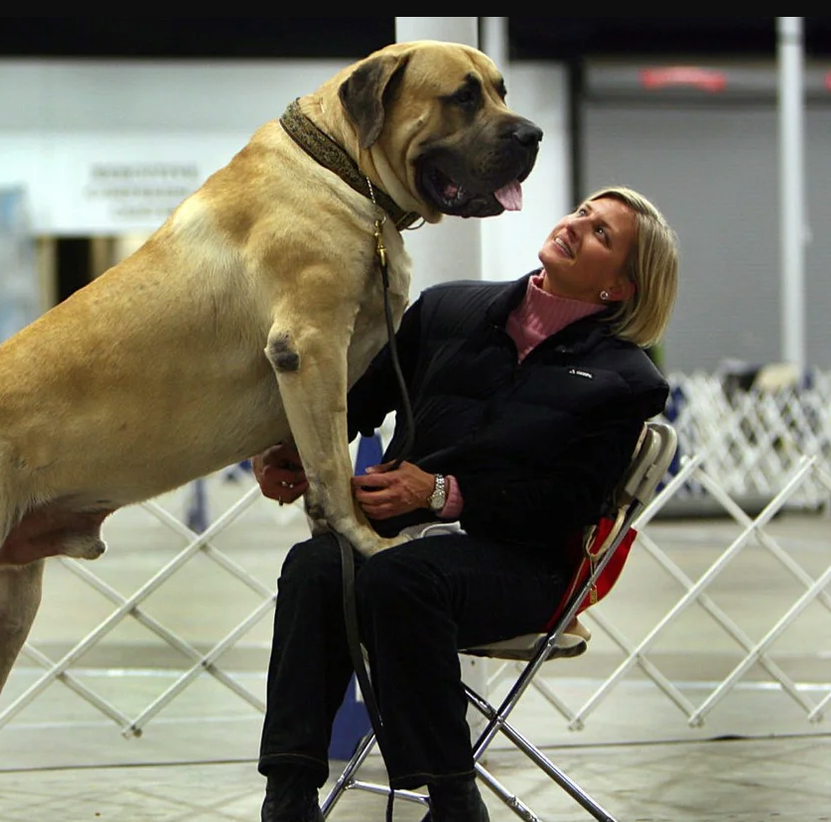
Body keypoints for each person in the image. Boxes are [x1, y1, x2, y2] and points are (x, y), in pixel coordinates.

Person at [252, 186, 679, 822]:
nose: (576, 225)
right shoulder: (447, 309)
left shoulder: (627, 381)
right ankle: (288, 793)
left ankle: (453, 799)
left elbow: (569, 506)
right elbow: (356, 402)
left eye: (602, 236)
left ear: (619, 287)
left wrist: (443, 493)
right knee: (318, 566)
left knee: (401, 579)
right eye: (583, 213)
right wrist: (290, 448)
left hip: (524, 563)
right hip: (404, 547)